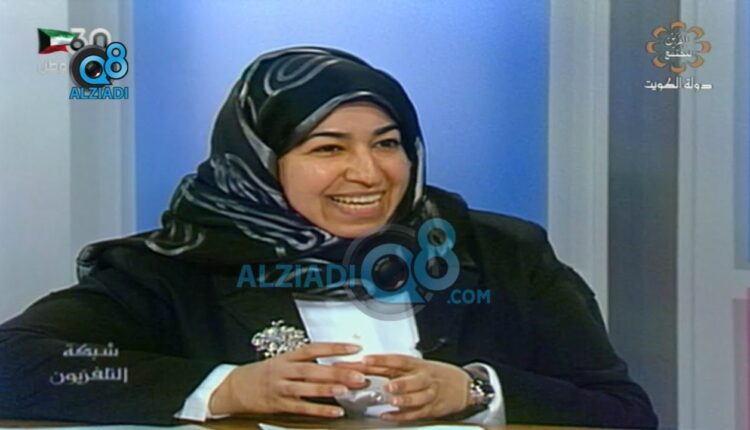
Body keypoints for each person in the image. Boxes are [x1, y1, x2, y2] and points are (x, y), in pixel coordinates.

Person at [0, 46, 658, 428]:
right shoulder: (175, 267)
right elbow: (18, 362)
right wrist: (225, 388)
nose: (368, 173)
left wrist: (477, 390)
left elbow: (621, 411)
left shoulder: (499, 253)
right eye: (328, 148)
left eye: (388, 144)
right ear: (258, 162)